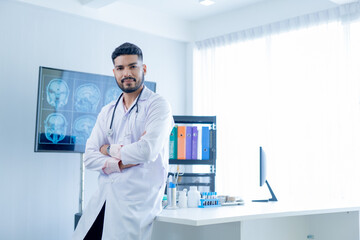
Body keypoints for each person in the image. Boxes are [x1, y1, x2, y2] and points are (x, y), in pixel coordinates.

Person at [73, 42, 174, 240]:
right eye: (120, 68)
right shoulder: (108, 110)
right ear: (114, 72)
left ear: (143, 69)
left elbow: (147, 151)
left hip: (135, 206)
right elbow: (89, 157)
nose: (126, 73)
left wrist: (107, 149)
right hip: (103, 200)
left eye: (132, 66)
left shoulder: (158, 105)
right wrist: (120, 161)